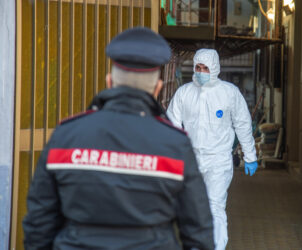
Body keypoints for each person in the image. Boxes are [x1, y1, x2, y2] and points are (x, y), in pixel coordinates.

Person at [23, 27, 214, 250]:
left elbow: (38, 224)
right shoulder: (175, 145)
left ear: (109, 82)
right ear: (157, 89)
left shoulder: (66, 135)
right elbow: (199, 233)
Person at [166, 48, 258, 250]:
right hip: (191, 160)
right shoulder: (184, 93)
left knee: (215, 207)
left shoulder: (229, 93)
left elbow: (242, 124)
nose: (200, 71)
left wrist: (250, 155)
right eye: (198, 67)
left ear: (214, 68)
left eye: (205, 68)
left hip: (218, 160)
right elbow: (172, 125)